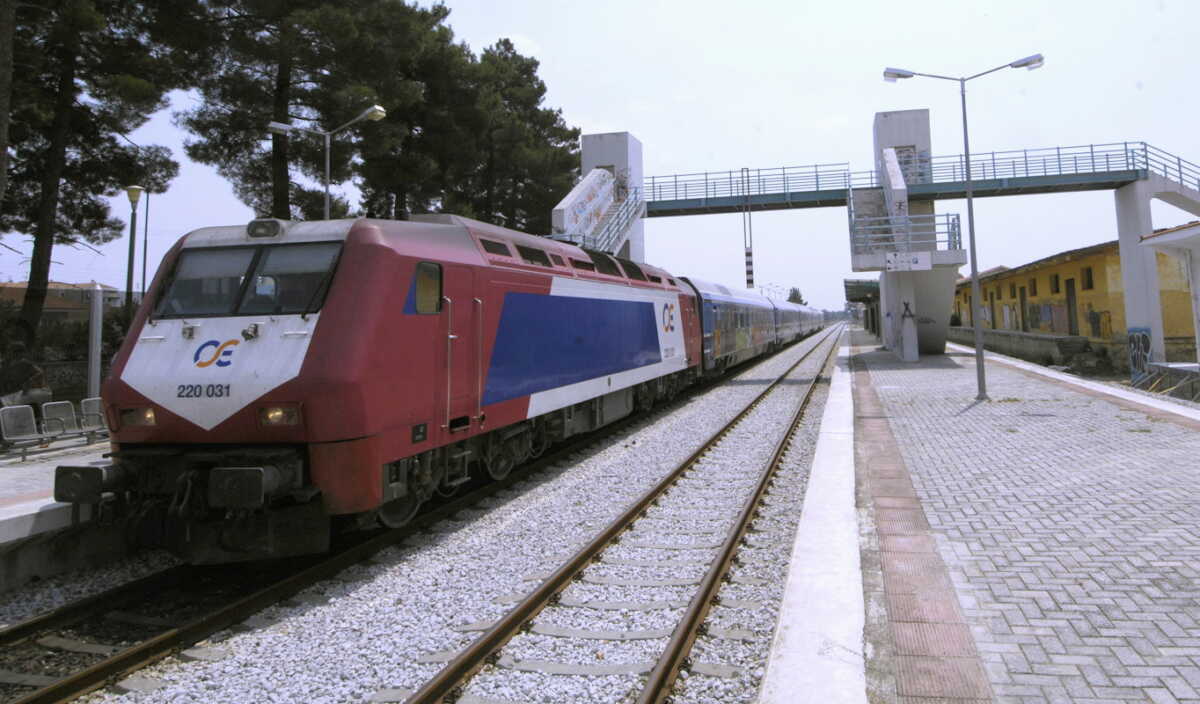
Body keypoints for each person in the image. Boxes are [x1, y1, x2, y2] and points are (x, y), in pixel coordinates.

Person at [0, 342, 51, 408]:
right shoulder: (4, 364)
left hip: (20, 393)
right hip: (9, 394)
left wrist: (30, 381)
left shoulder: (25, 363)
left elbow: (40, 373)